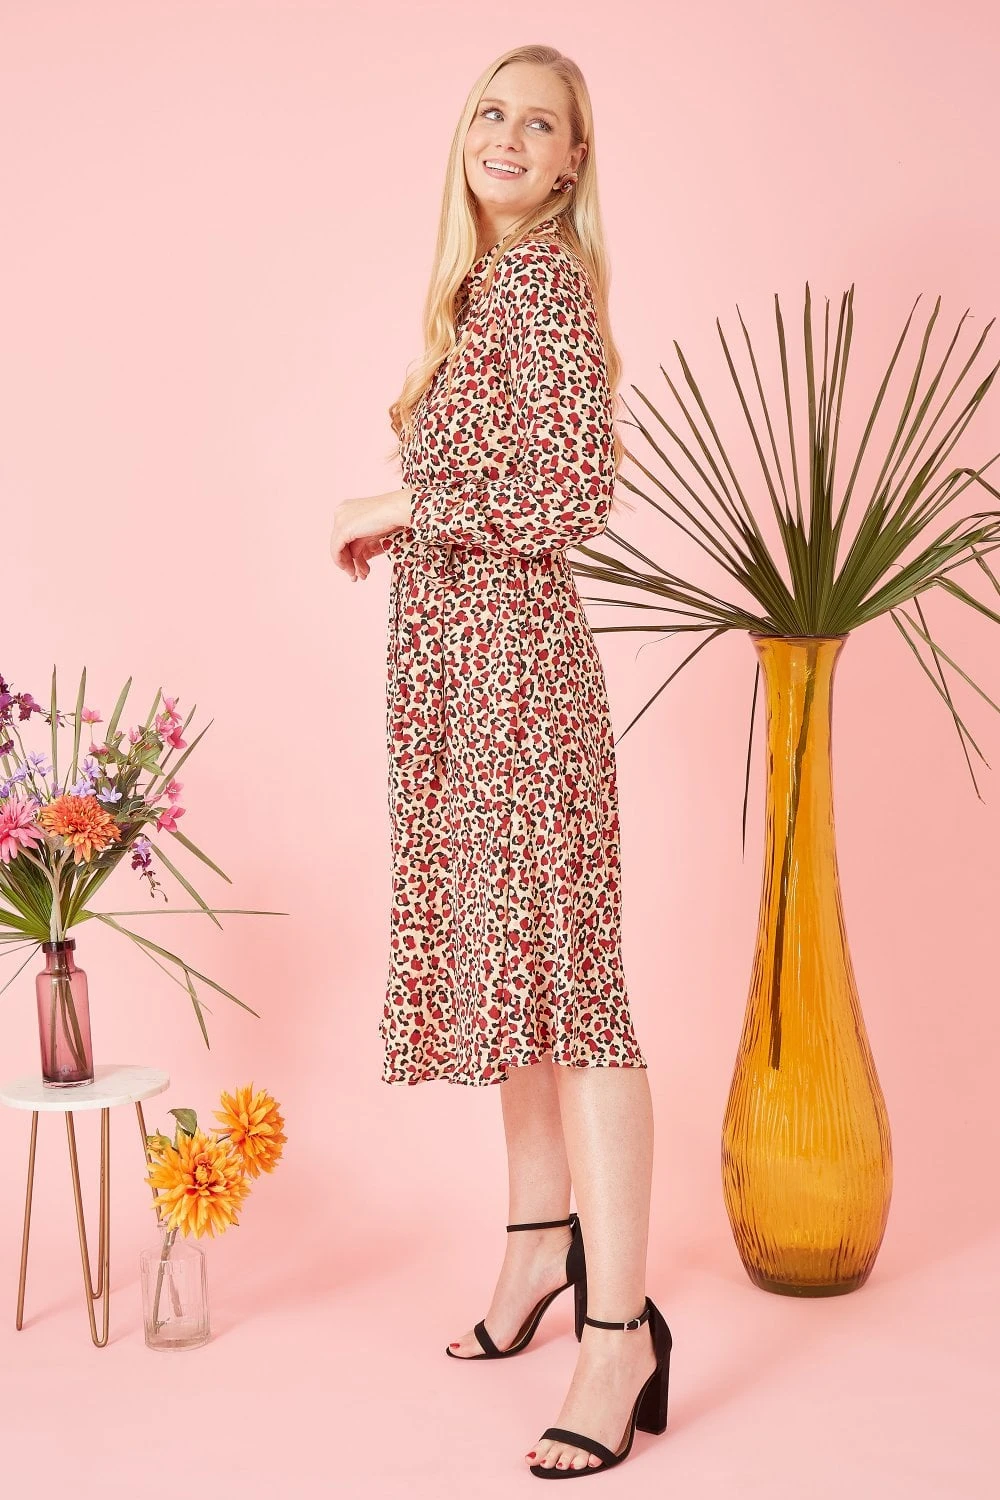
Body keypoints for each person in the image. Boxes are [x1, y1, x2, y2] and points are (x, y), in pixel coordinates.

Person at [330, 44, 672, 1479]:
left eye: (543, 124)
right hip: (472, 695)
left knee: (576, 1000)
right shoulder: (482, 294)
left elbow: (573, 490)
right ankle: (539, 1242)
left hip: (520, 696)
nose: (511, 138)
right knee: (520, 979)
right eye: (492, 112)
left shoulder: (539, 286)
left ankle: (619, 1334)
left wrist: (399, 506)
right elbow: (513, 480)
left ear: (574, 162)